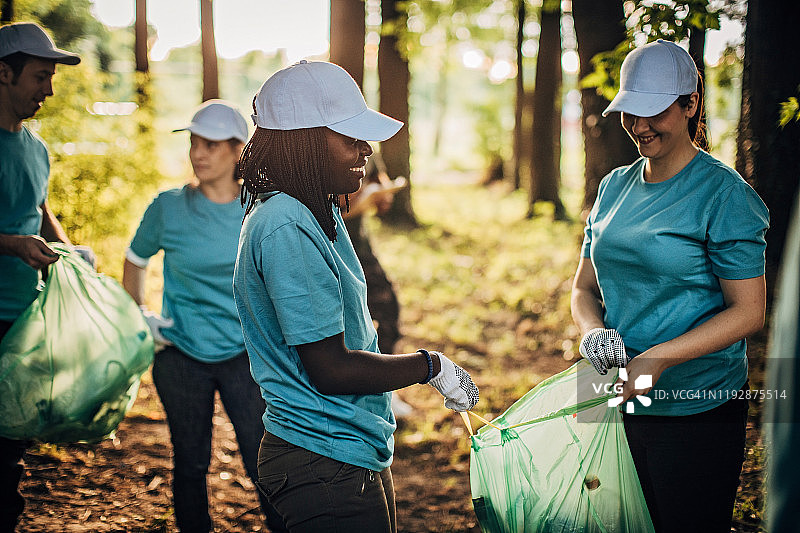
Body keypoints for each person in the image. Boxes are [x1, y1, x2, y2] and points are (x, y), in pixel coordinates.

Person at [233, 60, 479, 532]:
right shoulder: (284, 226)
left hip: (349, 444)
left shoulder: (315, 209)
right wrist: (431, 366)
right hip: (320, 455)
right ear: (302, 141)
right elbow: (330, 368)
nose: (366, 149)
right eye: (350, 138)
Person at [570, 39, 769, 533]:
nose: (638, 127)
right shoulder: (614, 186)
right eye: (629, 112)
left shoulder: (724, 195)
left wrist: (658, 359)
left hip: (695, 405)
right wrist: (591, 329)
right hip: (610, 395)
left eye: (652, 112)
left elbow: (748, 312)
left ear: (689, 105)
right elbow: (583, 289)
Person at [122, 100, 286, 533]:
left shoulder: (261, 208)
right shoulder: (168, 206)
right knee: (191, 461)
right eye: (195, 142)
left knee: (261, 460)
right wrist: (139, 314)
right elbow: (135, 258)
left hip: (246, 355)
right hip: (181, 353)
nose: (199, 153)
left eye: (212, 144)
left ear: (238, 151)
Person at [0, 22, 83, 532]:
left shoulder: (35, 145)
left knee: (11, 439)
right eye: (39, 77)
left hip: (22, 316)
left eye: (51, 78)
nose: (48, 90)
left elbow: (37, 208)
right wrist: (11, 245)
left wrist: (68, 251)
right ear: (3, 73)